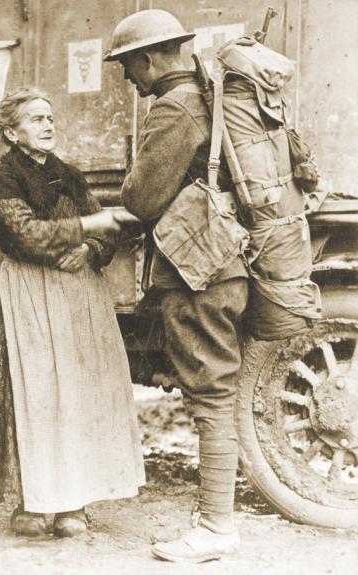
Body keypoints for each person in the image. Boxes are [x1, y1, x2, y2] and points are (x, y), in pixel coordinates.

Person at [104, 9, 249, 562]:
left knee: (210, 396)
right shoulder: (206, 100)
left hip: (196, 275)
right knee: (218, 393)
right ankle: (213, 518)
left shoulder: (174, 108)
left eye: (127, 67)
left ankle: (216, 527)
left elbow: (139, 199)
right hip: (222, 267)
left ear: (149, 58)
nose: (127, 80)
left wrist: (129, 182)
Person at [0, 88, 145, 538]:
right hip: (28, 295)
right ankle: (32, 504)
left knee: (76, 395)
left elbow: (106, 230)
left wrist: (90, 250)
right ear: (12, 133)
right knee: (34, 394)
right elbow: (25, 235)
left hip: (76, 295)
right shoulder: (2, 180)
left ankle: (73, 504)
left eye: (49, 118)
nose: (48, 125)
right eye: (36, 119)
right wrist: (84, 228)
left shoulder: (69, 175)